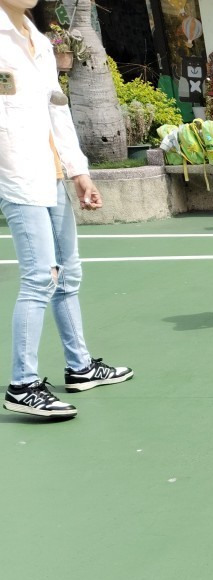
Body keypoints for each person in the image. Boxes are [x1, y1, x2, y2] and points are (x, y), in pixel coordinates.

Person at [2, 0, 132, 421]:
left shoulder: (39, 42)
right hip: (17, 176)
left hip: (52, 173)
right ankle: (23, 385)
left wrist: (79, 173)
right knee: (40, 277)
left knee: (68, 274)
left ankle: (80, 367)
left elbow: (57, 110)